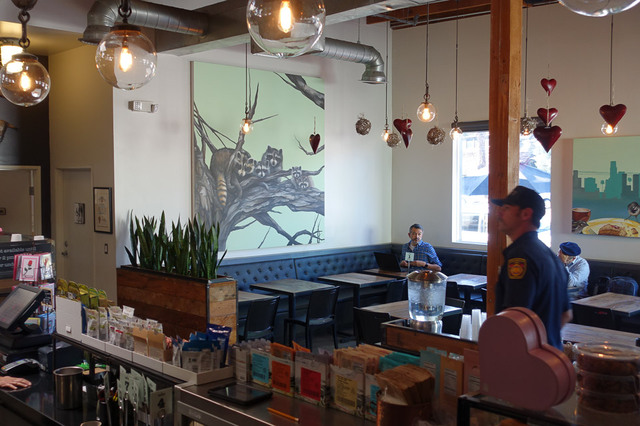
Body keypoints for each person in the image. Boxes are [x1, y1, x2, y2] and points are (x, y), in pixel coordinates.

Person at [491, 186, 571, 350]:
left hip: (524, 358)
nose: (499, 213)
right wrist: (544, 342)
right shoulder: (551, 257)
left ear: (526, 214)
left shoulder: (520, 257)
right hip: (550, 356)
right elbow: (566, 314)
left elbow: (515, 319)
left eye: (506, 208)